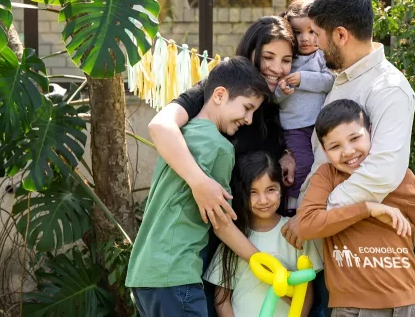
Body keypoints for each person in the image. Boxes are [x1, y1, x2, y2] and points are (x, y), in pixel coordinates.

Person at [147, 16, 301, 315]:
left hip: (254, 230)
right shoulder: (218, 91)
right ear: (251, 52)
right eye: (268, 56)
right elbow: (160, 126)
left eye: (286, 60)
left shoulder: (269, 105)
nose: (276, 67)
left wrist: (286, 152)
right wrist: (199, 183)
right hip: (209, 235)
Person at [281, 0, 415, 314]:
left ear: (340, 35)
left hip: (368, 267)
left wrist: (314, 216)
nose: (311, 41)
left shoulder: (389, 89)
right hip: (330, 255)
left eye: (317, 33)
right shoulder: (342, 79)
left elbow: (383, 170)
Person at [126, 57, 272, 317]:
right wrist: (260, 260)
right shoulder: (219, 147)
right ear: (219, 95)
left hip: (144, 275)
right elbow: (222, 222)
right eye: (247, 107)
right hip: (176, 273)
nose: (249, 119)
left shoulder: (182, 135)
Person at [297, 99, 415, 316]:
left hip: (406, 306)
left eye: (355, 138)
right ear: (325, 151)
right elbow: (307, 226)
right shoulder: (326, 176)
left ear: (371, 132)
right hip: (353, 308)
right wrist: (368, 209)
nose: (348, 151)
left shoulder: (399, 175)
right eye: (335, 146)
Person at [203, 152, 323, 317]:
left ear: (281, 188)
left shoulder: (294, 231)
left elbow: (306, 291)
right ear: (242, 194)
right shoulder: (234, 238)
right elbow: (222, 298)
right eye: (253, 192)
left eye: (270, 189)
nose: (263, 200)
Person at [276, 0, 335, 213]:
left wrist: (303, 79)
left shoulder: (322, 57)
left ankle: (314, 205)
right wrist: (282, 91)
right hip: (294, 127)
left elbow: (330, 81)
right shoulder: (287, 59)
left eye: (311, 32)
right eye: (298, 32)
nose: (305, 39)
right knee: (301, 163)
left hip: (319, 126)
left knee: (322, 165)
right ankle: (293, 206)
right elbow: (275, 98)